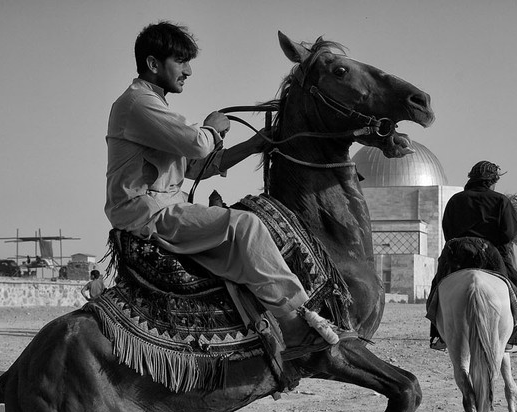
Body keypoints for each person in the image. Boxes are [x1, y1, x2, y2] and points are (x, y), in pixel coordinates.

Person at [106, 22, 349, 359]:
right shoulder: (137, 104)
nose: (188, 71)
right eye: (180, 61)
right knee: (245, 225)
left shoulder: (154, 106)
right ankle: (295, 319)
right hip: (147, 211)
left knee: (244, 229)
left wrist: (253, 144)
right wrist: (210, 127)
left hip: (163, 205)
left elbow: (194, 169)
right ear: (152, 64)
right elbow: (197, 146)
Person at [428, 160, 517, 352]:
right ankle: (514, 340)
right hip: (491, 252)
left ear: (471, 178)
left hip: (457, 252)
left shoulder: (456, 200)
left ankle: (438, 337)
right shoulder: (500, 201)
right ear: (493, 181)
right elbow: (508, 234)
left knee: (437, 289)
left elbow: (447, 231)